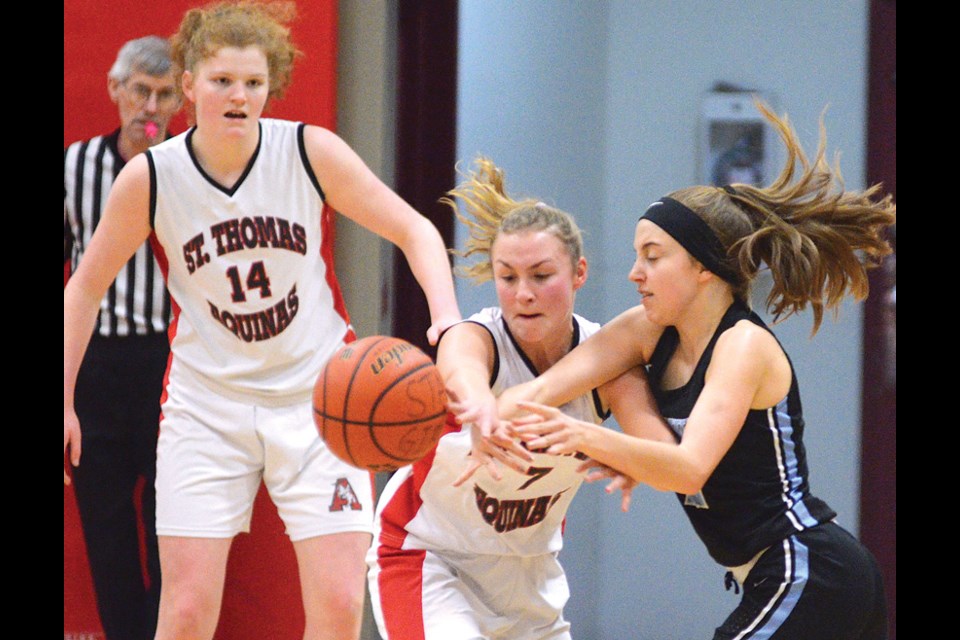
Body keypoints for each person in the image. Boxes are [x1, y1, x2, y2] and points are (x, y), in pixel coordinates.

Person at [62, 2, 461, 639]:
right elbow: (83, 289)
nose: (240, 96)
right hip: (205, 404)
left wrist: (446, 324)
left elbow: (414, 230)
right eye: (222, 81)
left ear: (270, 87)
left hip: (319, 399)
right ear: (189, 85)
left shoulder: (308, 151)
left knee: (336, 604)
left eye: (253, 82)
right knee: (186, 612)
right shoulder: (151, 177)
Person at [499, 102, 895, 640]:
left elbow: (687, 469)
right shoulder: (645, 331)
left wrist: (579, 433)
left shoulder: (743, 345)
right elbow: (542, 389)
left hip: (810, 568)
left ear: (705, 266)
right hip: (777, 576)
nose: (636, 273)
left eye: (654, 256)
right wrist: (482, 417)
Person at [366, 157, 673, 640]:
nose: (523, 294)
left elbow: (664, 457)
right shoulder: (479, 338)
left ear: (579, 274)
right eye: (507, 278)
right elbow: (459, 369)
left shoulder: (605, 362)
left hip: (531, 573)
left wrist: (627, 457)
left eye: (541, 276)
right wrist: (481, 408)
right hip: (431, 559)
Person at [63, 35, 181, 640]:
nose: (151, 107)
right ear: (116, 90)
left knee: (175, 525)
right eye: (141, 91)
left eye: (164, 94)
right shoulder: (75, 166)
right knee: (105, 529)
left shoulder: (192, 169)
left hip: (173, 364)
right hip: (97, 366)